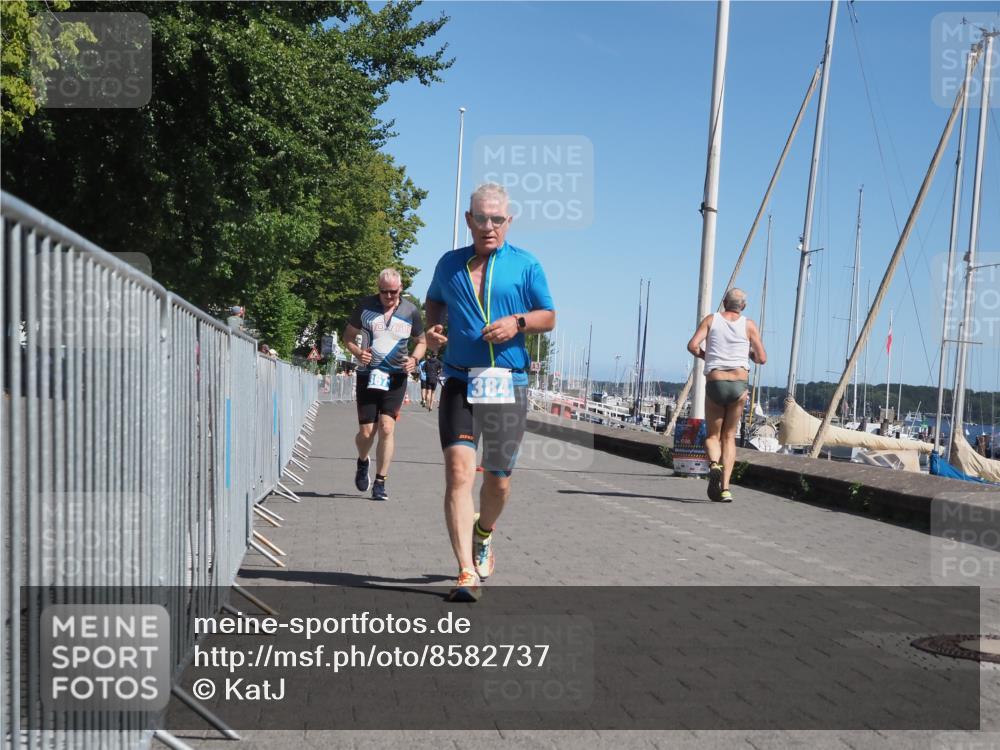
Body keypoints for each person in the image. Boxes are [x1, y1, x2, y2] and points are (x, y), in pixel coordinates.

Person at [425, 183, 556, 601]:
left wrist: (517, 322)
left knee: (497, 482)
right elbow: (433, 302)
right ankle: (465, 572)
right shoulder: (448, 264)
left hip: (507, 382)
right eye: (481, 218)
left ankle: (484, 532)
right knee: (459, 473)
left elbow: (549, 316)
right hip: (460, 380)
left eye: (497, 219)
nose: (489, 226)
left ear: (508, 222)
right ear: (469, 220)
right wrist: (433, 327)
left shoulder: (526, 264)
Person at [344, 268, 425, 501]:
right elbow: (347, 337)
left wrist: (414, 359)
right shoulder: (365, 306)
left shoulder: (410, 310)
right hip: (368, 375)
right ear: (378, 289)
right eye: (384, 292)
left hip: (396, 376)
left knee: (387, 427)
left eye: (394, 292)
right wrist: (359, 353)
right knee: (366, 432)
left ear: (401, 289)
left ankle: (380, 482)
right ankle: (362, 461)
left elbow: (421, 341)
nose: (389, 296)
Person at [686, 288, 766, 503]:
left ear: (723, 303)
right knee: (729, 437)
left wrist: (707, 356)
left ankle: (713, 465)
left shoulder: (712, 320)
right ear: (744, 306)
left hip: (716, 381)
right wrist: (748, 353)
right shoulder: (749, 325)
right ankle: (725, 489)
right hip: (739, 384)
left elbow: (692, 346)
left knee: (713, 436)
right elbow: (761, 357)